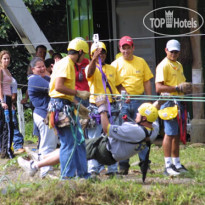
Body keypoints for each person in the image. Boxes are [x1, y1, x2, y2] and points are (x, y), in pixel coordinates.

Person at [17, 100, 159, 181]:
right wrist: (161, 100)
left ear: (145, 118)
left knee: (71, 150)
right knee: (71, 146)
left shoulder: (135, 131)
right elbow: (153, 111)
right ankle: (42, 157)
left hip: (105, 150)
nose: (137, 114)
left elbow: (107, 128)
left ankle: (35, 165)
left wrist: (102, 109)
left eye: (140, 114)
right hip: (108, 151)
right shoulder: (152, 129)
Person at [48, 37, 91, 179]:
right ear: (79, 51)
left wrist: (77, 104)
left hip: (65, 104)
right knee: (68, 143)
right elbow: (59, 87)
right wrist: (77, 93)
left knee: (79, 140)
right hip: (60, 106)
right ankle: (66, 177)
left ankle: (83, 174)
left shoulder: (68, 63)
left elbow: (64, 91)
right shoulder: (66, 63)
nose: (83, 57)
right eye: (83, 54)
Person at [111, 36, 154, 175]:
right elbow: (113, 83)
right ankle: (123, 166)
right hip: (122, 103)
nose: (126, 50)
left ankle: (145, 164)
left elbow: (147, 81)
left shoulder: (141, 62)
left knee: (143, 132)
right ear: (120, 49)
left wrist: (148, 101)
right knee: (123, 133)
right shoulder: (115, 64)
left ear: (133, 48)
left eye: (129, 47)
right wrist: (123, 93)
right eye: (124, 48)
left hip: (140, 101)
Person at [85, 41, 126, 176]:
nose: (100, 55)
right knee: (94, 138)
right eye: (97, 52)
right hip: (96, 106)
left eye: (102, 52)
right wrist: (93, 60)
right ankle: (93, 169)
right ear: (91, 54)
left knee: (112, 137)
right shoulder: (90, 67)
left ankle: (112, 169)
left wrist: (125, 93)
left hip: (112, 106)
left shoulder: (112, 68)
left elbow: (118, 85)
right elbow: (89, 74)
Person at [155, 39, 192, 176]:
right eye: (172, 51)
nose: (174, 54)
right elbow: (158, 87)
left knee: (176, 134)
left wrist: (185, 88)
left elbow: (180, 84)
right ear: (166, 50)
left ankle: (176, 163)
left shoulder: (179, 65)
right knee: (169, 134)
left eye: (176, 51)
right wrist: (177, 88)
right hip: (168, 102)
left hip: (179, 103)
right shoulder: (163, 65)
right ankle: (167, 165)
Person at [28, 57, 58, 178]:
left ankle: (38, 165)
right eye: (39, 67)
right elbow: (54, 87)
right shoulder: (35, 79)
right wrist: (55, 71)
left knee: (50, 143)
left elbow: (53, 80)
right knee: (48, 145)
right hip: (43, 116)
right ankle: (45, 171)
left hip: (46, 114)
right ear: (32, 69)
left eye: (43, 66)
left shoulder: (42, 78)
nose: (42, 69)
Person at [0, 50, 14, 159]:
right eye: (4, 58)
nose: (6, 60)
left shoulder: (7, 70)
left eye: (8, 58)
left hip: (9, 98)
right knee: (8, 125)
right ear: (0, 59)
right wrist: (2, 101)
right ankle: (7, 151)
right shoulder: (1, 70)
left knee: (7, 125)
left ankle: (5, 150)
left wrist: (11, 102)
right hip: (3, 97)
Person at [11, 77, 25, 154]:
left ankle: (18, 145)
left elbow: (14, 96)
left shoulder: (11, 80)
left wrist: (9, 102)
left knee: (13, 125)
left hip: (9, 106)